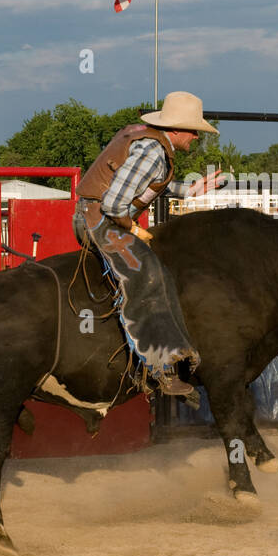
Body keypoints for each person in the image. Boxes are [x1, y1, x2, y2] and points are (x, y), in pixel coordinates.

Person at [73, 91, 221, 400]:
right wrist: (134, 229)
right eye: (193, 130)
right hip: (100, 221)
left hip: (93, 215)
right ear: (177, 129)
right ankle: (156, 368)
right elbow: (114, 205)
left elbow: (140, 184)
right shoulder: (154, 151)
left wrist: (189, 191)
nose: (195, 137)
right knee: (149, 274)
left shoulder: (150, 144)